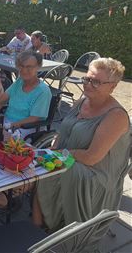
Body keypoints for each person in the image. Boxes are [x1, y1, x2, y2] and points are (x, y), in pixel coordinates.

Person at [32, 58, 130, 247]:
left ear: (113, 86)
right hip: (70, 157)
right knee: (40, 164)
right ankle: (37, 231)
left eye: (96, 82)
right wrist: (54, 147)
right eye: (87, 78)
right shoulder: (83, 100)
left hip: (95, 174)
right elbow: (64, 130)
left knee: (54, 171)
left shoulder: (116, 116)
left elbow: (92, 157)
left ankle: (61, 235)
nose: (88, 85)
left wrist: (60, 153)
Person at [0, 51, 52, 139]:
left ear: (38, 67)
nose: (24, 70)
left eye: (29, 67)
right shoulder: (19, 82)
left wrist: (11, 126)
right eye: (22, 66)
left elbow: (35, 118)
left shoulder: (43, 91)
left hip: (26, 128)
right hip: (7, 123)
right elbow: (1, 100)